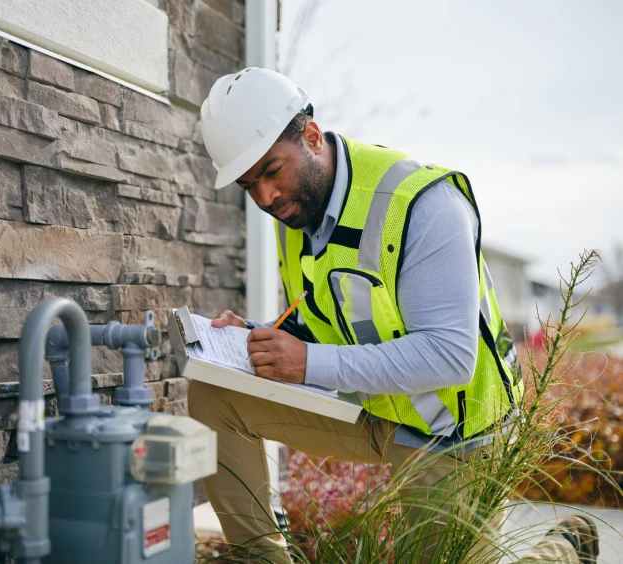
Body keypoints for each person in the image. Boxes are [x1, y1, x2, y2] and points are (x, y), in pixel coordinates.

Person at [188, 68, 599, 564]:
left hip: (451, 433)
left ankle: (563, 549)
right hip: (372, 407)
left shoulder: (423, 205)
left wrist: (307, 363)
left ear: (312, 137)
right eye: (249, 186)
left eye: (272, 172)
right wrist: (258, 337)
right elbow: (327, 316)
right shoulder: (297, 210)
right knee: (217, 393)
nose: (265, 199)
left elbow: (450, 357)